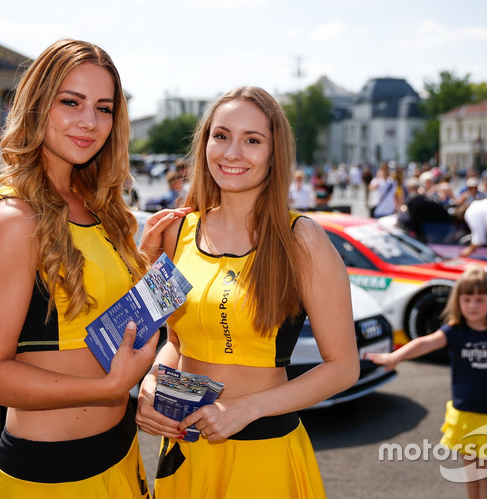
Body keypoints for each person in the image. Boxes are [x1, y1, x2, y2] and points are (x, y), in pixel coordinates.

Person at [0, 39, 185, 498]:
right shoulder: (14, 220)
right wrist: (110, 386)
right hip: (47, 480)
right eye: (71, 102)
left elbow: (102, 322)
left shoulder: (101, 209)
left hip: (121, 458)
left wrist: (149, 269)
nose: (89, 121)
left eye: (103, 108)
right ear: (37, 106)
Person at [135, 86, 359, 498]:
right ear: (205, 144)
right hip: (186, 449)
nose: (232, 152)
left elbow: (343, 367)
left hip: (263, 452)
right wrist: (152, 381)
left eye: (252, 140)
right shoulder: (176, 232)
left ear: (274, 154)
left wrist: (245, 410)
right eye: (221, 136)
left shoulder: (301, 238)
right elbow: (176, 341)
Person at [369, 266, 487, 499]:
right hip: (465, 416)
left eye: (479, 299)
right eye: (466, 299)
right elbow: (425, 343)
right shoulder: (455, 331)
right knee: (471, 473)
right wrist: (395, 356)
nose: (472, 305)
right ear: (458, 302)